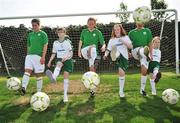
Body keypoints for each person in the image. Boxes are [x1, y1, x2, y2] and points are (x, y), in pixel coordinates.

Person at [103, 24, 133, 97]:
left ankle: (121, 91)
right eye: (115, 30)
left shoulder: (125, 37)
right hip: (116, 55)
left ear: (121, 29)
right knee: (114, 50)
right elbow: (108, 49)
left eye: (118, 29)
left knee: (121, 73)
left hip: (124, 57)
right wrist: (105, 55)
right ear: (113, 31)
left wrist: (122, 41)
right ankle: (115, 55)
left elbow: (131, 46)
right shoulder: (112, 40)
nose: (116, 31)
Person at [21, 18, 48, 95]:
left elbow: (45, 46)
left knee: (38, 75)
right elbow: (28, 46)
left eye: (35, 25)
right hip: (29, 56)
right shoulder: (30, 34)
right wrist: (27, 55)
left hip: (38, 56)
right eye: (32, 25)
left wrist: (43, 57)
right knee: (27, 71)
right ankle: (23, 88)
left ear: (39, 25)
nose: (34, 27)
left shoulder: (43, 34)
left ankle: (39, 92)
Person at [46, 27, 73, 102]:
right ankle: (53, 77)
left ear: (64, 33)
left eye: (62, 32)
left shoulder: (67, 42)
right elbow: (54, 53)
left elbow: (71, 52)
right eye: (59, 32)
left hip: (67, 60)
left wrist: (67, 57)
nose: (60, 33)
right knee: (59, 64)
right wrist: (49, 61)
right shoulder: (55, 43)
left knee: (65, 77)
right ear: (57, 34)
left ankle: (65, 95)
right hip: (59, 59)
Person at [128, 22, 153, 96]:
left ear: (144, 22)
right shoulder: (131, 33)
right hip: (135, 51)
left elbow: (150, 43)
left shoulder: (147, 31)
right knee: (142, 49)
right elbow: (127, 44)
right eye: (138, 21)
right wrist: (128, 52)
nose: (140, 23)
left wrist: (151, 54)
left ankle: (142, 90)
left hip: (145, 55)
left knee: (144, 71)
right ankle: (144, 52)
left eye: (141, 21)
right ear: (136, 22)